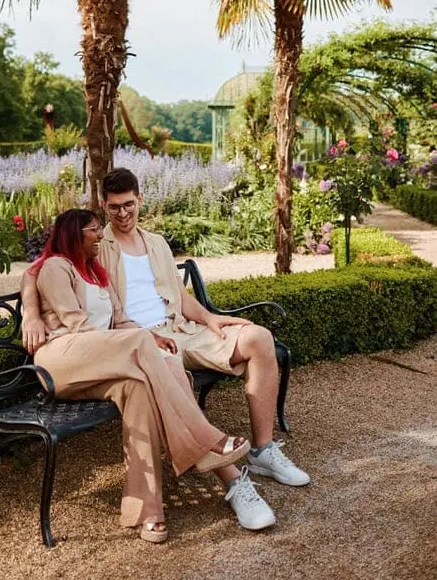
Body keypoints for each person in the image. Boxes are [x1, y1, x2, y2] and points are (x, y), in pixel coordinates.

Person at [22, 168, 311, 531]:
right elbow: (40, 268)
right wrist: (30, 314)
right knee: (161, 362)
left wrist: (209, 319)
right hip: (134, 342)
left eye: (129, 205)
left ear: (140, 199)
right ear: (104, 208)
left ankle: (263, 450)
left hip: (173, 331)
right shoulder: (96, 247)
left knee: (259, 338)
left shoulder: (156, 242)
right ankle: (230, 476)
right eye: (113, 209)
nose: (122, 214)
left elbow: (178, 294)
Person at [31, 208, 251, 542]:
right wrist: (138, 340)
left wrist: (152, 339)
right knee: (141, 343)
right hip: (61, 361)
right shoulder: (55, 267)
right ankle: (207, 440)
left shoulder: (97, 273)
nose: (101, 236)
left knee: (151, 377)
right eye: (94, 230)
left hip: (102, 360)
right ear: (74, 234)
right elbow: (76, 324)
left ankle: (147, 511)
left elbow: (120, 322)